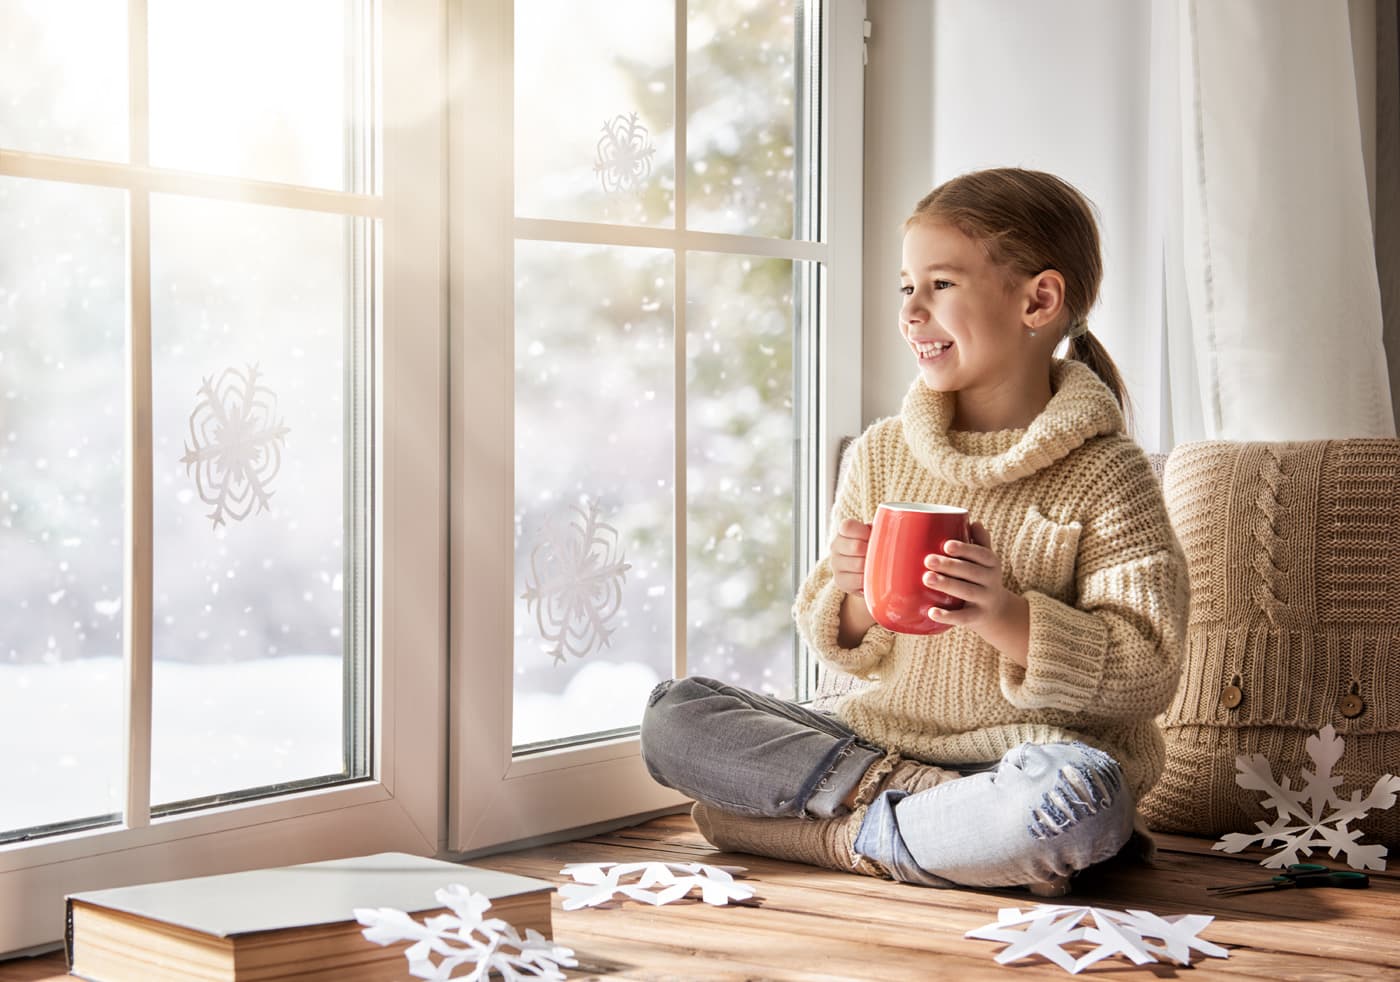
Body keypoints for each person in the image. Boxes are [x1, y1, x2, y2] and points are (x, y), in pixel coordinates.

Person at [639, 167, 1188, 895]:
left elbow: (1148, 667)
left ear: (1039, 300)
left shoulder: (1108, 472)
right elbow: (830, 634)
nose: (910, 312)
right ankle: (917, 822)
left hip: (1027, 761)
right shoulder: (883, 452)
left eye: (941, 285)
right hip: (875, 742)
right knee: (676, 717)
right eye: (907, 287)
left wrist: (1006, 616)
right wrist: (853, 592)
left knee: (1078, 806)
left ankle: (823, 834)